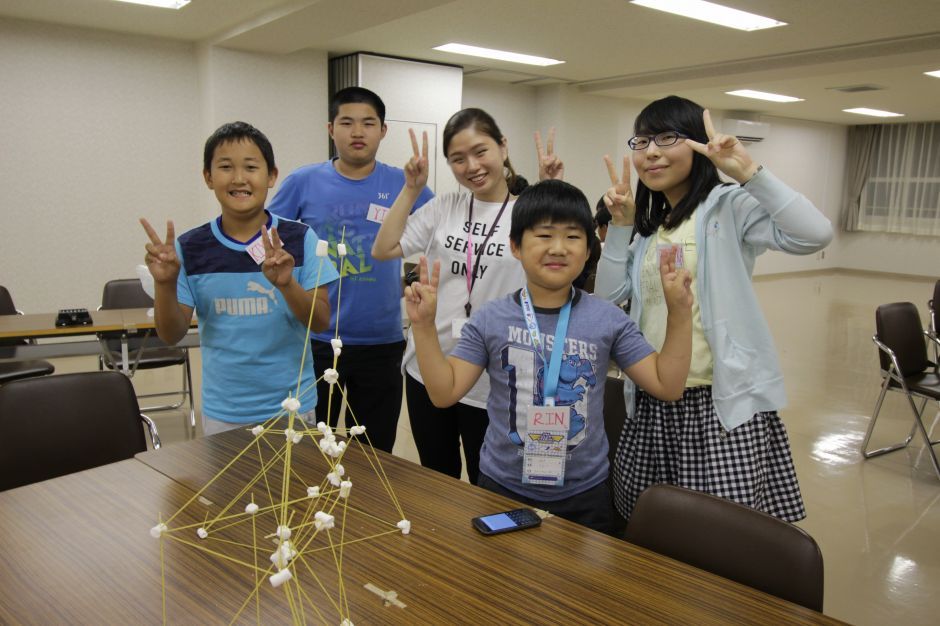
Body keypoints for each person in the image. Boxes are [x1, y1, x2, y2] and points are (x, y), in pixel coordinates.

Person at [403, 179, 693, 534]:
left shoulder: (607, 319)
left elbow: (668, 384)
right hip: (502, 487)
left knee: (584, 589)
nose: (558, 248)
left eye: (572, 237)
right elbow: (443, 392)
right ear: (516, 246)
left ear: (588, 250)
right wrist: (424, 327)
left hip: (585, 494)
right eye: (543, 235)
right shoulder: (491, 318)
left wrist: (679, 313)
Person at [595, 95, 833, 523]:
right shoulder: (651, 232)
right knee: (648, 525)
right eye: (643, 140)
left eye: (667, 138)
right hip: (653, 397)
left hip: (717, 404)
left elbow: (813, 235)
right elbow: (610, 298)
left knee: (718, 535)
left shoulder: (727, 205)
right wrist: (621, 226)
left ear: (699, 146)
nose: (651, 152)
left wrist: (749, 173)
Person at [372, 108, 563, 483]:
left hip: (495, 376)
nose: (471, 166)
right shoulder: (444, 207)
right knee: (436, 478)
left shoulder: (527, 211)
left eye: (480, 151)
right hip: (429, 364)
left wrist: (550, 191)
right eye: (457, 159)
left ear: (503, 147)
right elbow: (384, 248)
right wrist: (410, 189)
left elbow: (562, 259)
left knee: (487, 480)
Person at [141, 121, 339, 436]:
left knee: (293, 487)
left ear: (271, 176)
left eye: (250, 167)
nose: (238, 178)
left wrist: (287, 285)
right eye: (225, 167)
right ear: (208, 177)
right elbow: (171, 334)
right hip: (224, 411)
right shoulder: (190, 248)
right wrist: (164, 284)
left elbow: (321, 321)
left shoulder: (300, 239)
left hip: (293, 407)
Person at [267, 87, 433, 453]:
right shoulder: (303, 182)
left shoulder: (405, 186)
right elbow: (269, 239)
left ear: (383, 131)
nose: (358, 132)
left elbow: (447, 230)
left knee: (375, 453)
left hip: (381, 341)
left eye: (368, 123)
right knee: (309, 450)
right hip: (316, 340)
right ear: (331, 129)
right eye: (347, 122)